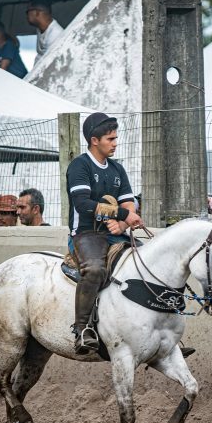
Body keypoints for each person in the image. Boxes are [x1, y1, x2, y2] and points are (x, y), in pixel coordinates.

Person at [66, 112, 143, 355]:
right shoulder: (80, 165)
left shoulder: (117, 169)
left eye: (115, 138)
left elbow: (129, 204)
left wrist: (122, 225)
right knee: (95, 270)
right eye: (110, 139)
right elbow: (83, 204)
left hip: (114, 234)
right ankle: (82, 330)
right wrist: (121, 215)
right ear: (94, 140)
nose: (115, 143)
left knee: (148, 262)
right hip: (86, 234)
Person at [26, 0, 64, 65]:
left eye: (27, 12)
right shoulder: (40, 29)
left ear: (37, 12)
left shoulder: (55, 34)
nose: (26, 16)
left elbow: (50, 64)